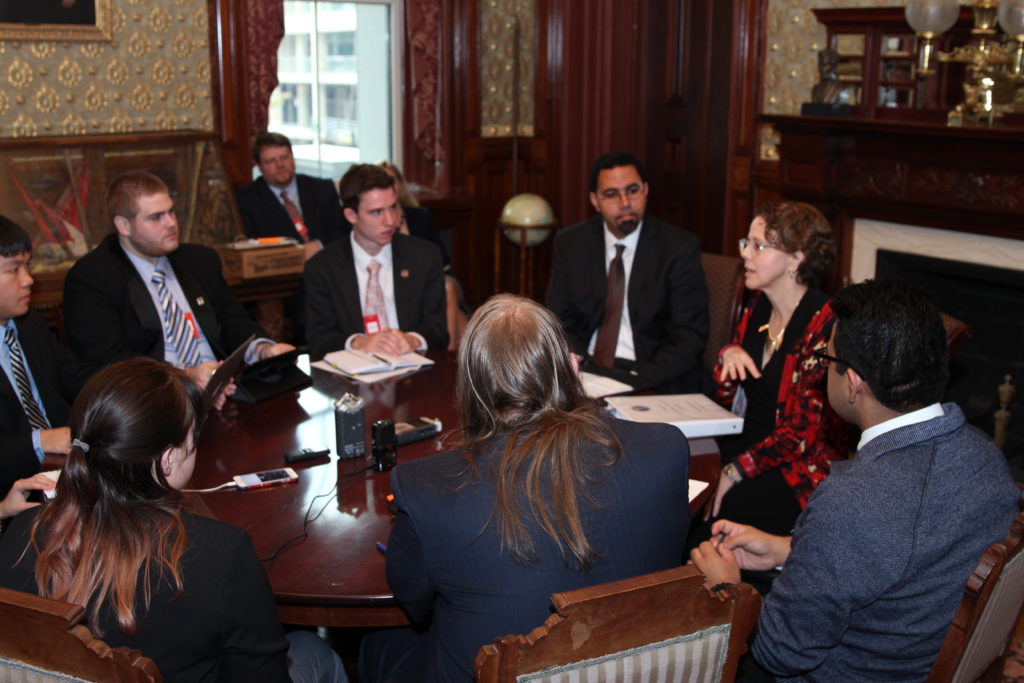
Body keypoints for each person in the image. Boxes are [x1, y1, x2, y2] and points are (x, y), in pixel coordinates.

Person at [691, 279, 1021, 681]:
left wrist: (728, 593)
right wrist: (789, 550)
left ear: (853, 382)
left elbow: (779, 652)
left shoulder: (853, 500)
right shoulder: (986, 458)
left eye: (826, 358)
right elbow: (897, 556)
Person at [361, 294, 692, 682]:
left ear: (470, 386)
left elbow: (414, 602)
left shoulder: (426, 490)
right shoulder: (666, 449)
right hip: (634, 668)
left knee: (377, 646)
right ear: (571, 369)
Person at [0, 358, 348, 683]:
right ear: (167, 460)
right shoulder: (221, 555)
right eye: (195, 441)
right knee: (315, 652)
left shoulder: (18, 535)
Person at [63, 171, 294, 391]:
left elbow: (234, 322)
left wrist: (263, 349)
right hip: (159, 402)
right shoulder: (93, 278)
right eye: (156, 218)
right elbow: (113, 364)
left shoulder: (199, 260)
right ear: (124, 225)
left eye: (171, 212)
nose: (171, 223)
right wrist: (185, 375)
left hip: (226, 388)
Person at [698, 202, 846, 542]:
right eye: (745, 243)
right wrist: (728, 355)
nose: (745, 255)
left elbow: (799, 436)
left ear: (796, 258)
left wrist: (733, 472)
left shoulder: (824, 325)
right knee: (682, 487)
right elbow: (727, 398)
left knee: (715, 517)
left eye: (759, 246)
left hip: (797, 469)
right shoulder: (758, 307)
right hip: (745, 444)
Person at [545, 151, 709, 392]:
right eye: (611, 194)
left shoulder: (678, 248)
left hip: (652, 376)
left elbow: (689, 335)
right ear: (595, 200)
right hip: (588, 371)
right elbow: (558, 320)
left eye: (632, 190)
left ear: (646, 190)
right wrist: (582, 368)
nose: (624, 203)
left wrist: (635, 381)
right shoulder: (571, 243)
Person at [304, 164, 447, 355]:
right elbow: (318, 338)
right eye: (377, 212)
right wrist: (359, 342)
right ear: (351, 215)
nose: (390, 220)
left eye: (393, 207)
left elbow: (439, 332)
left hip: (412, 367)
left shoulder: (424, 257)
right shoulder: (322, 267)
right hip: (351, 375)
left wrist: (413, 340)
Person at [0, 215, 94, 497]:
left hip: (65, 467)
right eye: (13, 269)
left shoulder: (29, 324)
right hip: (15, 492)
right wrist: (40, 440)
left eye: (27, 266)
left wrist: (146, 379)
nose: (28, 280)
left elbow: (76, 376)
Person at [379, 160, 468, 350]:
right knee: (459, 318)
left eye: (392, 180)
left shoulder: (419, 216)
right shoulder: (378, 223)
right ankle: (451, 357)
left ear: (400, 184)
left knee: (447, 287)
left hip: (436, 275)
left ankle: (449, 351)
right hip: (401, 278)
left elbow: (442, 260)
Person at [236, 132, 348, 262]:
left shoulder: (322, 188)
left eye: (284, 157)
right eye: (271, 161)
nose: (280, 165)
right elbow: (252, 243)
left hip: (329, 265)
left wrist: (318, 244)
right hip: (280, 273)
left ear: (293, 158)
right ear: (259, 166)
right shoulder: (246, 199)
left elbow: (344, 230)